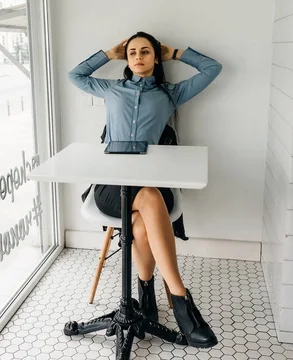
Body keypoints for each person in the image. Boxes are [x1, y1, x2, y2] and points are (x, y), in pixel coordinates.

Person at [68, 31, 222, 348]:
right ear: (127, 59)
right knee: (149, 200)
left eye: (146, 52)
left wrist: (178, 53)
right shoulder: (111, 88)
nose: (138, 56)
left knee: (139, 223)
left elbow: (212, 69)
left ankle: (147, 294)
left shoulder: (169, 94)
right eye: (133, 52)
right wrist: (109, 54)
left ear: (155, 57)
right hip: (111, 184)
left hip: (151, 179)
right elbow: (75, 75)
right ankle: (181, 301)